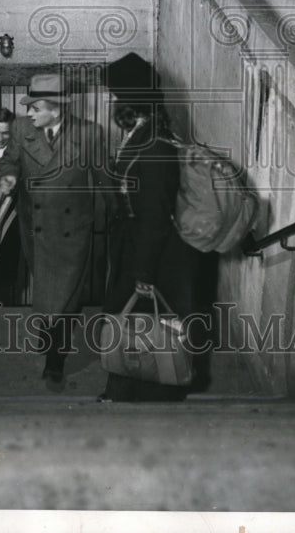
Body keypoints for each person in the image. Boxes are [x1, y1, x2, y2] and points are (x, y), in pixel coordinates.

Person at [0, 73, 107, 388]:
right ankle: (49, 336)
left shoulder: (89, 134)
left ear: (56, 110)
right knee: (47, 291)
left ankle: (55, 362)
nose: (28, 113)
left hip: (73, 228)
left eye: (35, 108)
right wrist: (7, 177)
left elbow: (104, 179)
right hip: (35, 224)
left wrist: (120, 213)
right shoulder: (21, 129)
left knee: (66, 298)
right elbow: (9, 162)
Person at [99, 98, 204, 403]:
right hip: (139, 248)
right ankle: (122, 391)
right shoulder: (144, 137)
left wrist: (143, 272)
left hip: (154, 256)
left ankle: (145, 395)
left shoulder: (156, 147)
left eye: (120, 101)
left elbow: (155, 214)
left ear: (137, 109)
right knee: (133, 325)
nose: (115, 107)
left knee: (151, 330)